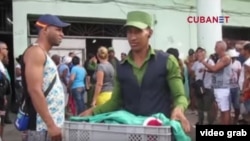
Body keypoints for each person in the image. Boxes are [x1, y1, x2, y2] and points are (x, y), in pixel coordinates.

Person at [80, 11, 190, 133]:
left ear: (149, 33)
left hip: (159, 132)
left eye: (138, 31)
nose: (132, 37)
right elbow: (116, 102)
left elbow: (179, 96)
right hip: (131, 132)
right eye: (129, 32)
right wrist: (93, 111)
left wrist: (179, 108)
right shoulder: (121, 67)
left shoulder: (167, 61)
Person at [20, 14, 69, 140]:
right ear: (45, 30)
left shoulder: (43, 54)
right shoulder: (36, 52)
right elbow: (34, 90)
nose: (62, 34)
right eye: (58, 29)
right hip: (41, 128)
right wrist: (51, 125)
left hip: (47, 127)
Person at [201, 41, 232, 125]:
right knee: (222, 110)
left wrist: (203, 61)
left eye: (216, 47)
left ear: (221, 48)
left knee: (225, 110)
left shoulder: (226, 58)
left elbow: (214, 69)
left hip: (223, 88)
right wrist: (206, 70)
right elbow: (215, 71)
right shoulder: (220, 59)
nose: (215, 49)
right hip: (218, 87)